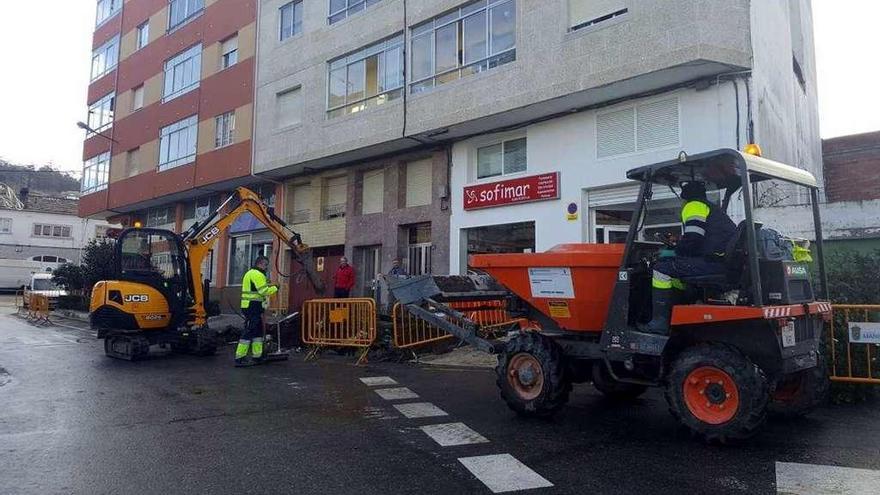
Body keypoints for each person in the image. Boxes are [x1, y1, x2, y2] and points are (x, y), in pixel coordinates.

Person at [642, 181, 737, 334]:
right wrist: (678, 242)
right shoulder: (712, 209)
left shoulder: (694, 205)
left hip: (711, 263)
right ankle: (681, 309)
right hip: (721, 262)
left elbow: (693, 239)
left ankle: (659, 323)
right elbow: (700, 238)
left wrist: (672, 251)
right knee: (676, 269)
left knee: (660, 269)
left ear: (685, 197)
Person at [235, 256, 278, 367]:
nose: (266, 267)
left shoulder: (251, 273)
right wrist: (275, 288)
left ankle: (257, 356)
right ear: (260, 264)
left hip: (252, 307)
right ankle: (240, 357)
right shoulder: (257, 274)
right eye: (266, 265)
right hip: (252, 307)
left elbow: (256, 289)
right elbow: (263, 291)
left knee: (257, 332)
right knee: (250, 331)